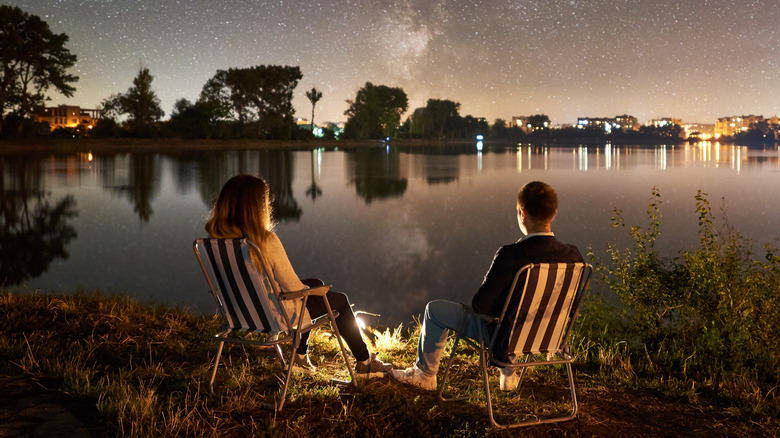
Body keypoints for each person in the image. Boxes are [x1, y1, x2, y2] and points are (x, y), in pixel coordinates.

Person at [391, 181, 584, 391]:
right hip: (548, 336)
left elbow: (480, 306)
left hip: (504, 339)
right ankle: (509, 371)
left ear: (523, 214)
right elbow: (571, 307)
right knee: (510, 315)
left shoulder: (510, 255)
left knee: (435, 310)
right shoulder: (574, 256)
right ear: (553, 214)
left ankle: (425, 375)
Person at [205, 174, 392, 378]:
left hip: (240, 313)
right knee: (340, 300)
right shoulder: (265, 241)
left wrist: (313, 288)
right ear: (257, 208)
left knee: (314, 283)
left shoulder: (216, 242)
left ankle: (299, 357)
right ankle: (365, 362)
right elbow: (293, 288)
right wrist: (316, 292)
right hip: (275, 316)